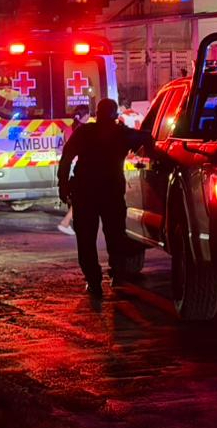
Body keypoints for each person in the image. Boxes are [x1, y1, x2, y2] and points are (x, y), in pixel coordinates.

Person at [56, 98, 152, 298]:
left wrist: (63, 186)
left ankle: (94, 282)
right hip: (111, 193)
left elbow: (66, 158)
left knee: (86, 240)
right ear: (115, 115)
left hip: (85, 193)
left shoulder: (84, 132)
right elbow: (146, 137)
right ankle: (117, 274)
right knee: (115, 236)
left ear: (97, 114)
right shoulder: (122, 133)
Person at [57, 104, 92, 237]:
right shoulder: (84, 130)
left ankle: (68, 222)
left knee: (80, 197)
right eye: (88, 114)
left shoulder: (68, 128)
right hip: (79, 166)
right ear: (86, 115)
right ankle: (65, 222)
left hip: (70, 165)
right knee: (82, 197)